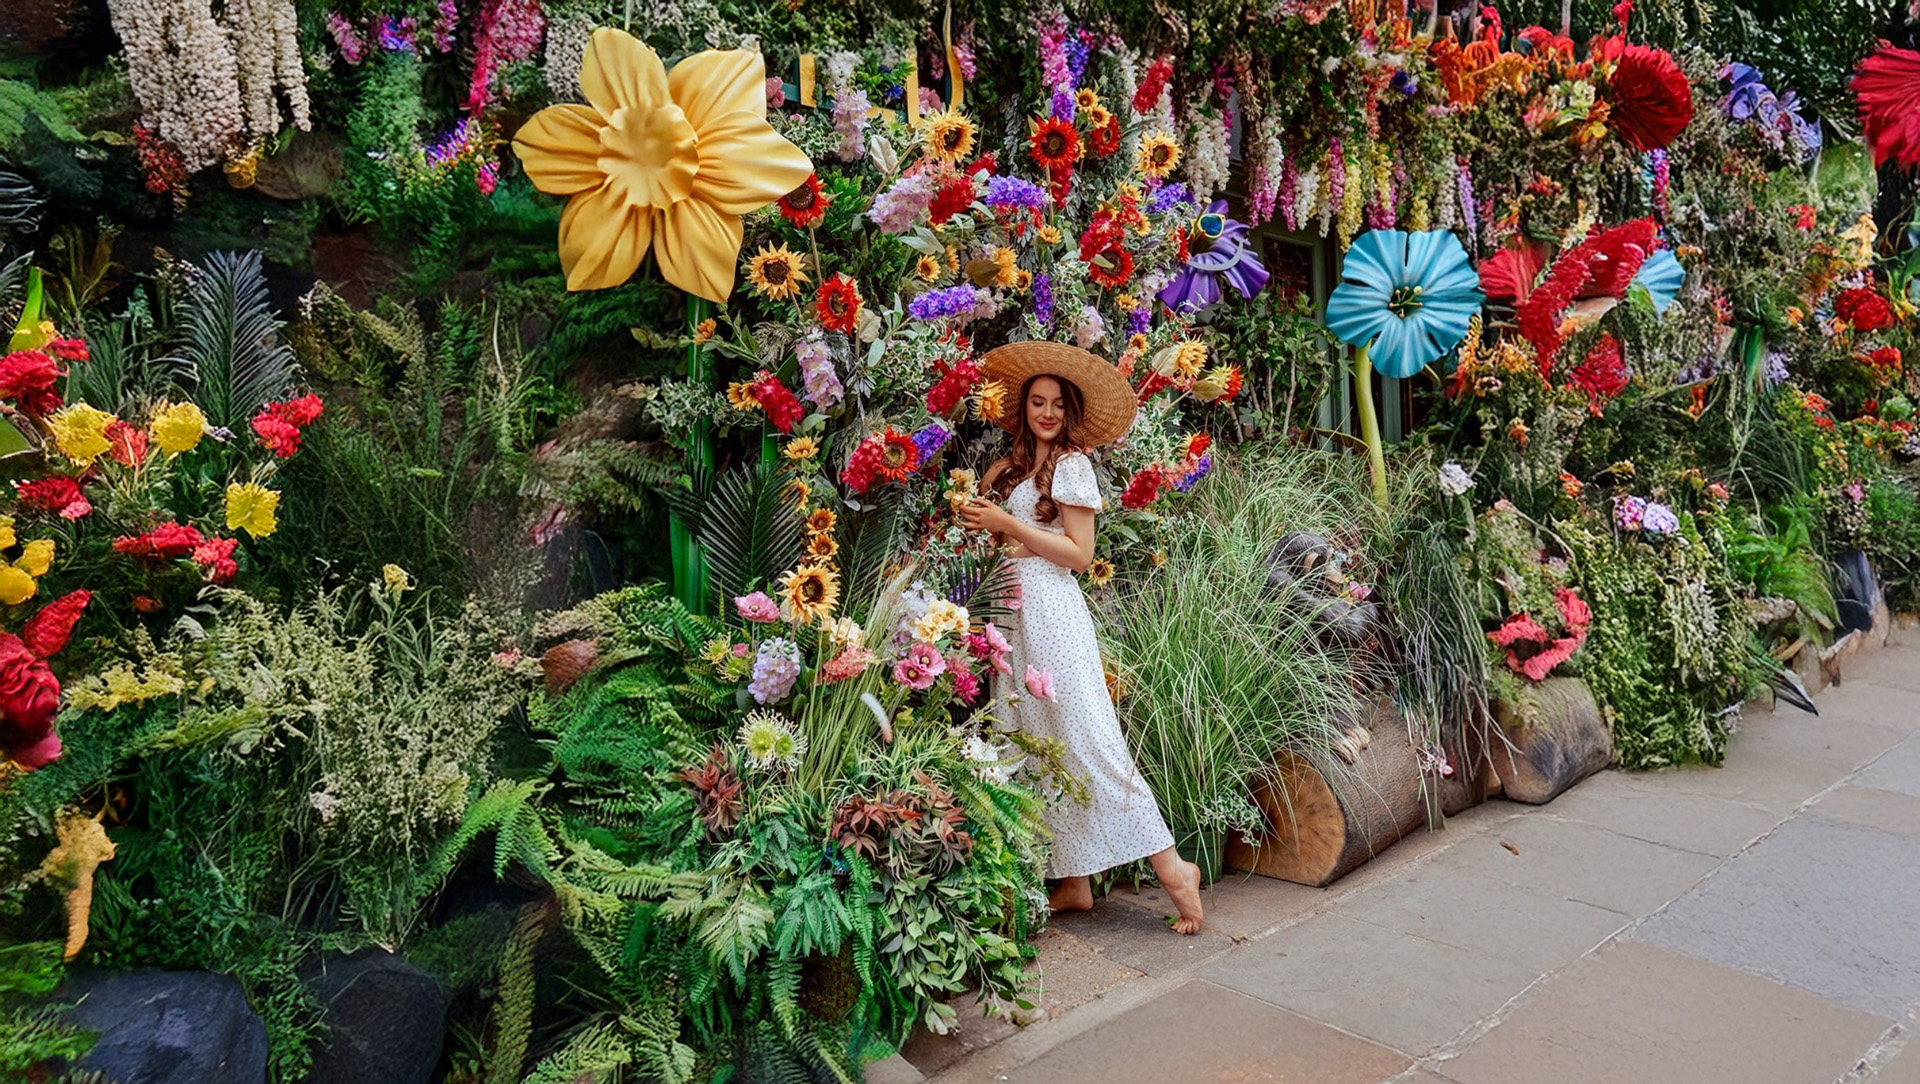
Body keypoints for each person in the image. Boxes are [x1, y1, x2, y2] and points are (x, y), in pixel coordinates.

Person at [958, 341, 1204, 935]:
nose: (1047, 413)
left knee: (1089, 739)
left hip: (1053, 613)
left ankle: (1175, 870)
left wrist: (1008, 524)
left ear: (1070, 412)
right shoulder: (1006, 471)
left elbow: (1079, 554)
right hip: (1009, 616)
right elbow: (988, 542)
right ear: (1022, 408)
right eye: (1037, 402)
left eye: (1058, 404)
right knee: (1030, 740)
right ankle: (1073, 881)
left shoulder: (1071, 466)